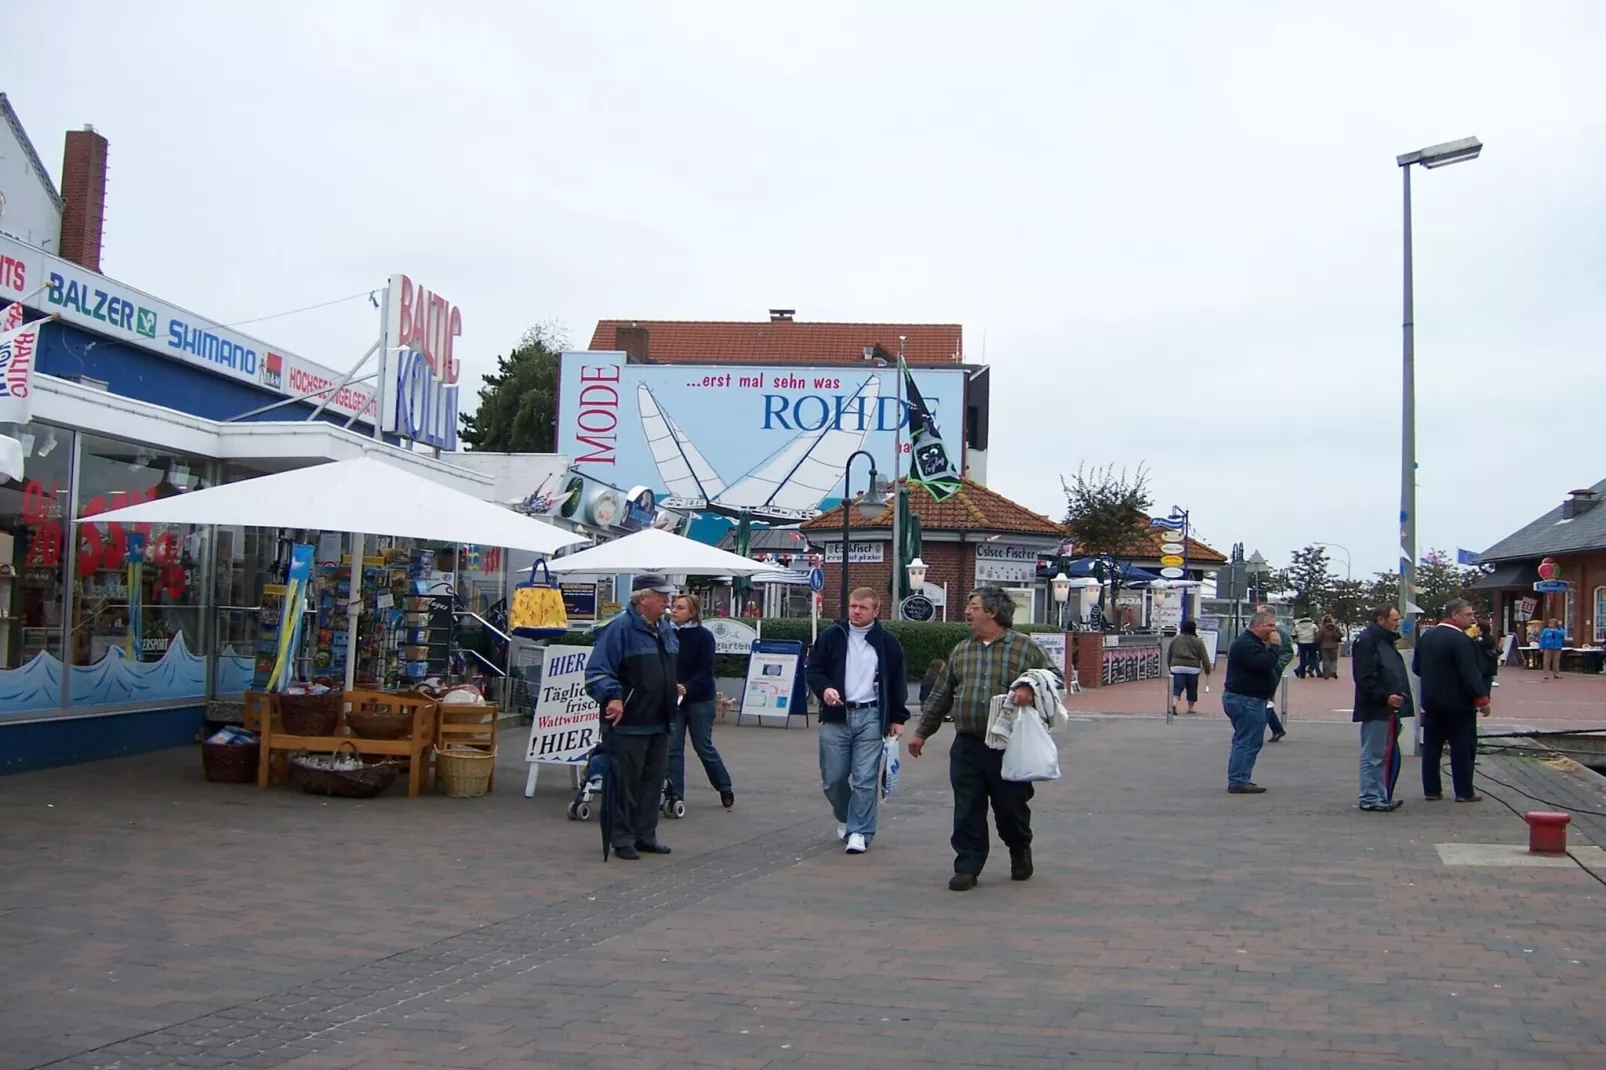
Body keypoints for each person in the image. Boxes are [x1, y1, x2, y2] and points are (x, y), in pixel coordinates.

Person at [909, 586, 1061, 890]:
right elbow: (942, 693)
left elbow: (1055, 677)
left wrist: (1029, 689)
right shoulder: (962, 650)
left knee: (1011, 809)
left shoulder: (1024, 648)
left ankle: (1019, 848)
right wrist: (922, 732)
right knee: (967, 808)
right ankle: (967, 864)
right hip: (967, 743)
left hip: (1008, 746)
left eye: (974, 606)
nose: (968, 612)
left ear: (992, 612)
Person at [805, 586, 909, 855]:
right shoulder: (832, 636)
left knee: (864, 777)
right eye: (853, 606)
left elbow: (897, 681)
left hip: (871, 715)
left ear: (876, 611)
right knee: (833, 778)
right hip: (836, 714)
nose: (856, 611)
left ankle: (860, 831)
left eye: (863, 607)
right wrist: (825, 689)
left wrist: (898, 717)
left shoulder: (887, 642)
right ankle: (845, 815)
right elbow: (814, 669)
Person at [584, 573, 680, 860]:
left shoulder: (664, 629)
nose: (667, 601)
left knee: (653, 781)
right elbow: (597, 672)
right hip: (629, 721)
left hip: (661, 719)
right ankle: (622, 837)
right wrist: (613, 696)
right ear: (643, 599)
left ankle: (645, 835)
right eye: (661, 596)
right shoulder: (619, 629)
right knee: (625, 782)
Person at [1416, 598, 1492, 802]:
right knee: (1463, 747)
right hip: (1459, 703)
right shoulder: (1461, 640)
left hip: (1431, 701)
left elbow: (1416, 667)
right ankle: (1464, 791)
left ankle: (1431, 790)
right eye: (1468, 615)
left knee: (1432, 748)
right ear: (1454, 615)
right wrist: (1482, 699)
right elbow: (1470, 672)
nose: (1473, 619)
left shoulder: (1427, 637)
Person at [666, 594, 734, 812]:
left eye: (680, 608)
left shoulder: (703, 636)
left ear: (692, 613)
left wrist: (688, 686)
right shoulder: (666, 634)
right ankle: (675, 795)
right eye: (674, 607)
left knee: (702, 745)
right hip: (673, 699)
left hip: (699, 698)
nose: (674, 611)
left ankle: (724, 786)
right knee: (673, 748)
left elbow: (706, 670)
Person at [1351, 605, 1410, 812]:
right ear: (1380, 619)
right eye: (1394, 619)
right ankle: (1370, 796)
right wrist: (1385, 696)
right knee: (1373, 753)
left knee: (1382, 753)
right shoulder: (1369, 641)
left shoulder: (1383, 641)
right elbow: (1364, 676)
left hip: (1387, 705)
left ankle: (1380, 794)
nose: (1397, 622)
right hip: (1377, 706)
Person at [1221, 609, 1281, 794]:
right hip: (1246, 699)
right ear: (1257, 626)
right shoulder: (1247, 644)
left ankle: (1240, 777)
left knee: (1245, 738)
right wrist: (1276, 647)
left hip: (1248, 698)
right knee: (1247, 740)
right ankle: (1239, 780)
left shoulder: (1251, 643)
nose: (1273, 630)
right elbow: (1264, 664)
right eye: (1269, 625)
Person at [1258, 605, 1290, 742]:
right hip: (1258, 668)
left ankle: (1270, 729)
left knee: (1263, 699)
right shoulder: (1256, 632)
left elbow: (1288, 652)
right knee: (1263, 700)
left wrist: (1277, 665)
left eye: (1260, 614)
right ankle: (1276, 728)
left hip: (1271, 670)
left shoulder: (1281, 634)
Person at [1167, 620, 1211, 715]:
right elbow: (1204, 656)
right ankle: (1190, 708)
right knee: (1192, 688)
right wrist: (1207, 669)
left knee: (1177, 687)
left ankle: (1174, 704)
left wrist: (1170, 666)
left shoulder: (1175, 639)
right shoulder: (1198, 641)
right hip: (1193, 668)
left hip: (1177, 666)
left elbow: (1169, 653)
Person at [1469, 613, 1499, 693]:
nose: (1475, 629)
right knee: (1483, 680)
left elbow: (1480, 644)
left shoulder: (1487, 638)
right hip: (1482, 663)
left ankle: (1485, 695)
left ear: (1481, 628)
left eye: (1477, 627)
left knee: (1486, 680)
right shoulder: (1478, 637)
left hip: (1487, 663)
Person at [1317, 615, 1344, 680]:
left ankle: (1326, 674)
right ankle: (1333, 671)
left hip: (1324, 646)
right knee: (1334, 660)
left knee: (1326, 660)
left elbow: (1318, 638)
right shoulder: (1336, 628)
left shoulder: (1322, 628)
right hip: (1334, 646)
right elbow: (1341, 635)